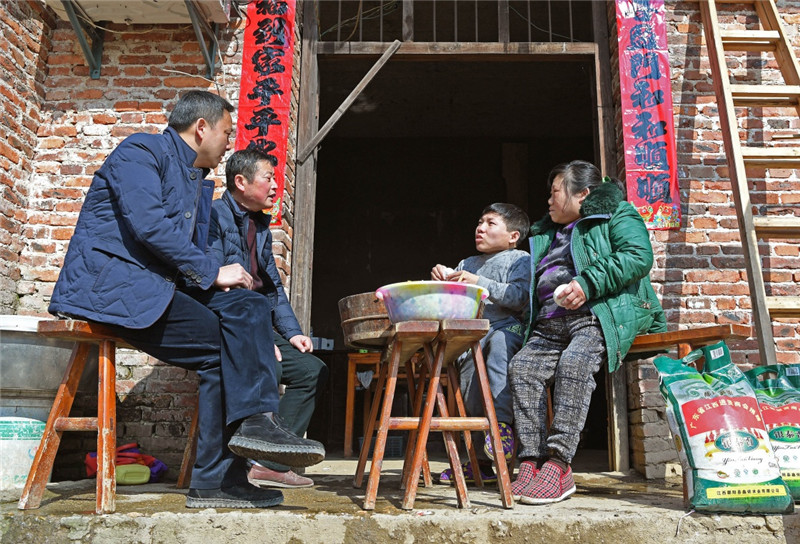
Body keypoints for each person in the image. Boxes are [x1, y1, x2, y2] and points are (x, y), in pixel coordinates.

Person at [48, 90, 325, 509]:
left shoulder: (195, 181)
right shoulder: (141, 151)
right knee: (225, 349)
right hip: (114, 289)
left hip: (156, 289)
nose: (228, 144)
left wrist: (235, 301)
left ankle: (254, 429)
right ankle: (219, 475)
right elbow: (149, 226)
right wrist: (215, 272)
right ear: (201, 128)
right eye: (226, 133)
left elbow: (189, 264)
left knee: (250, 305)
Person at [509, 160, 666, 505]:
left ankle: (558, 464)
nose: (549, 201)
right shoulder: (546, 233)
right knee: (522, 368)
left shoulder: (617, 214)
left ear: (582, 194)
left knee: (575, 364)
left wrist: (586, 283)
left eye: (555, 192)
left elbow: (638, 256)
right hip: (549, 322)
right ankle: (532, 460)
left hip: (596, 314)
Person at [208, 148, 328, 489]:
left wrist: (292, 333)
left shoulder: (259, 226)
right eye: (269, 178)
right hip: (229, 322)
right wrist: (259, 338)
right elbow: (211, 282)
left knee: (311, 370)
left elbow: (272, 289)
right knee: (269, 369)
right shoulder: (213, 217)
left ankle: (268, 464)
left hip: (257, 321)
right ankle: (239, 464)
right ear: (241, 182)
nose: (276, 186)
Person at [431, 203, 530, 484]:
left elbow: (519, 297)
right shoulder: (466, 264)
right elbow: (451, 303)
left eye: (490, 223)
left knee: (499, 347)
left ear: (513, 236)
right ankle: (480, 462)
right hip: (473, 335)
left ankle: (501, 428)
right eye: (479, 222)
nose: (480, 228)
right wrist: (442, 280)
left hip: (506, 328)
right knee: (469, 381)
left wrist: (478, 282)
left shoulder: (519, 259)